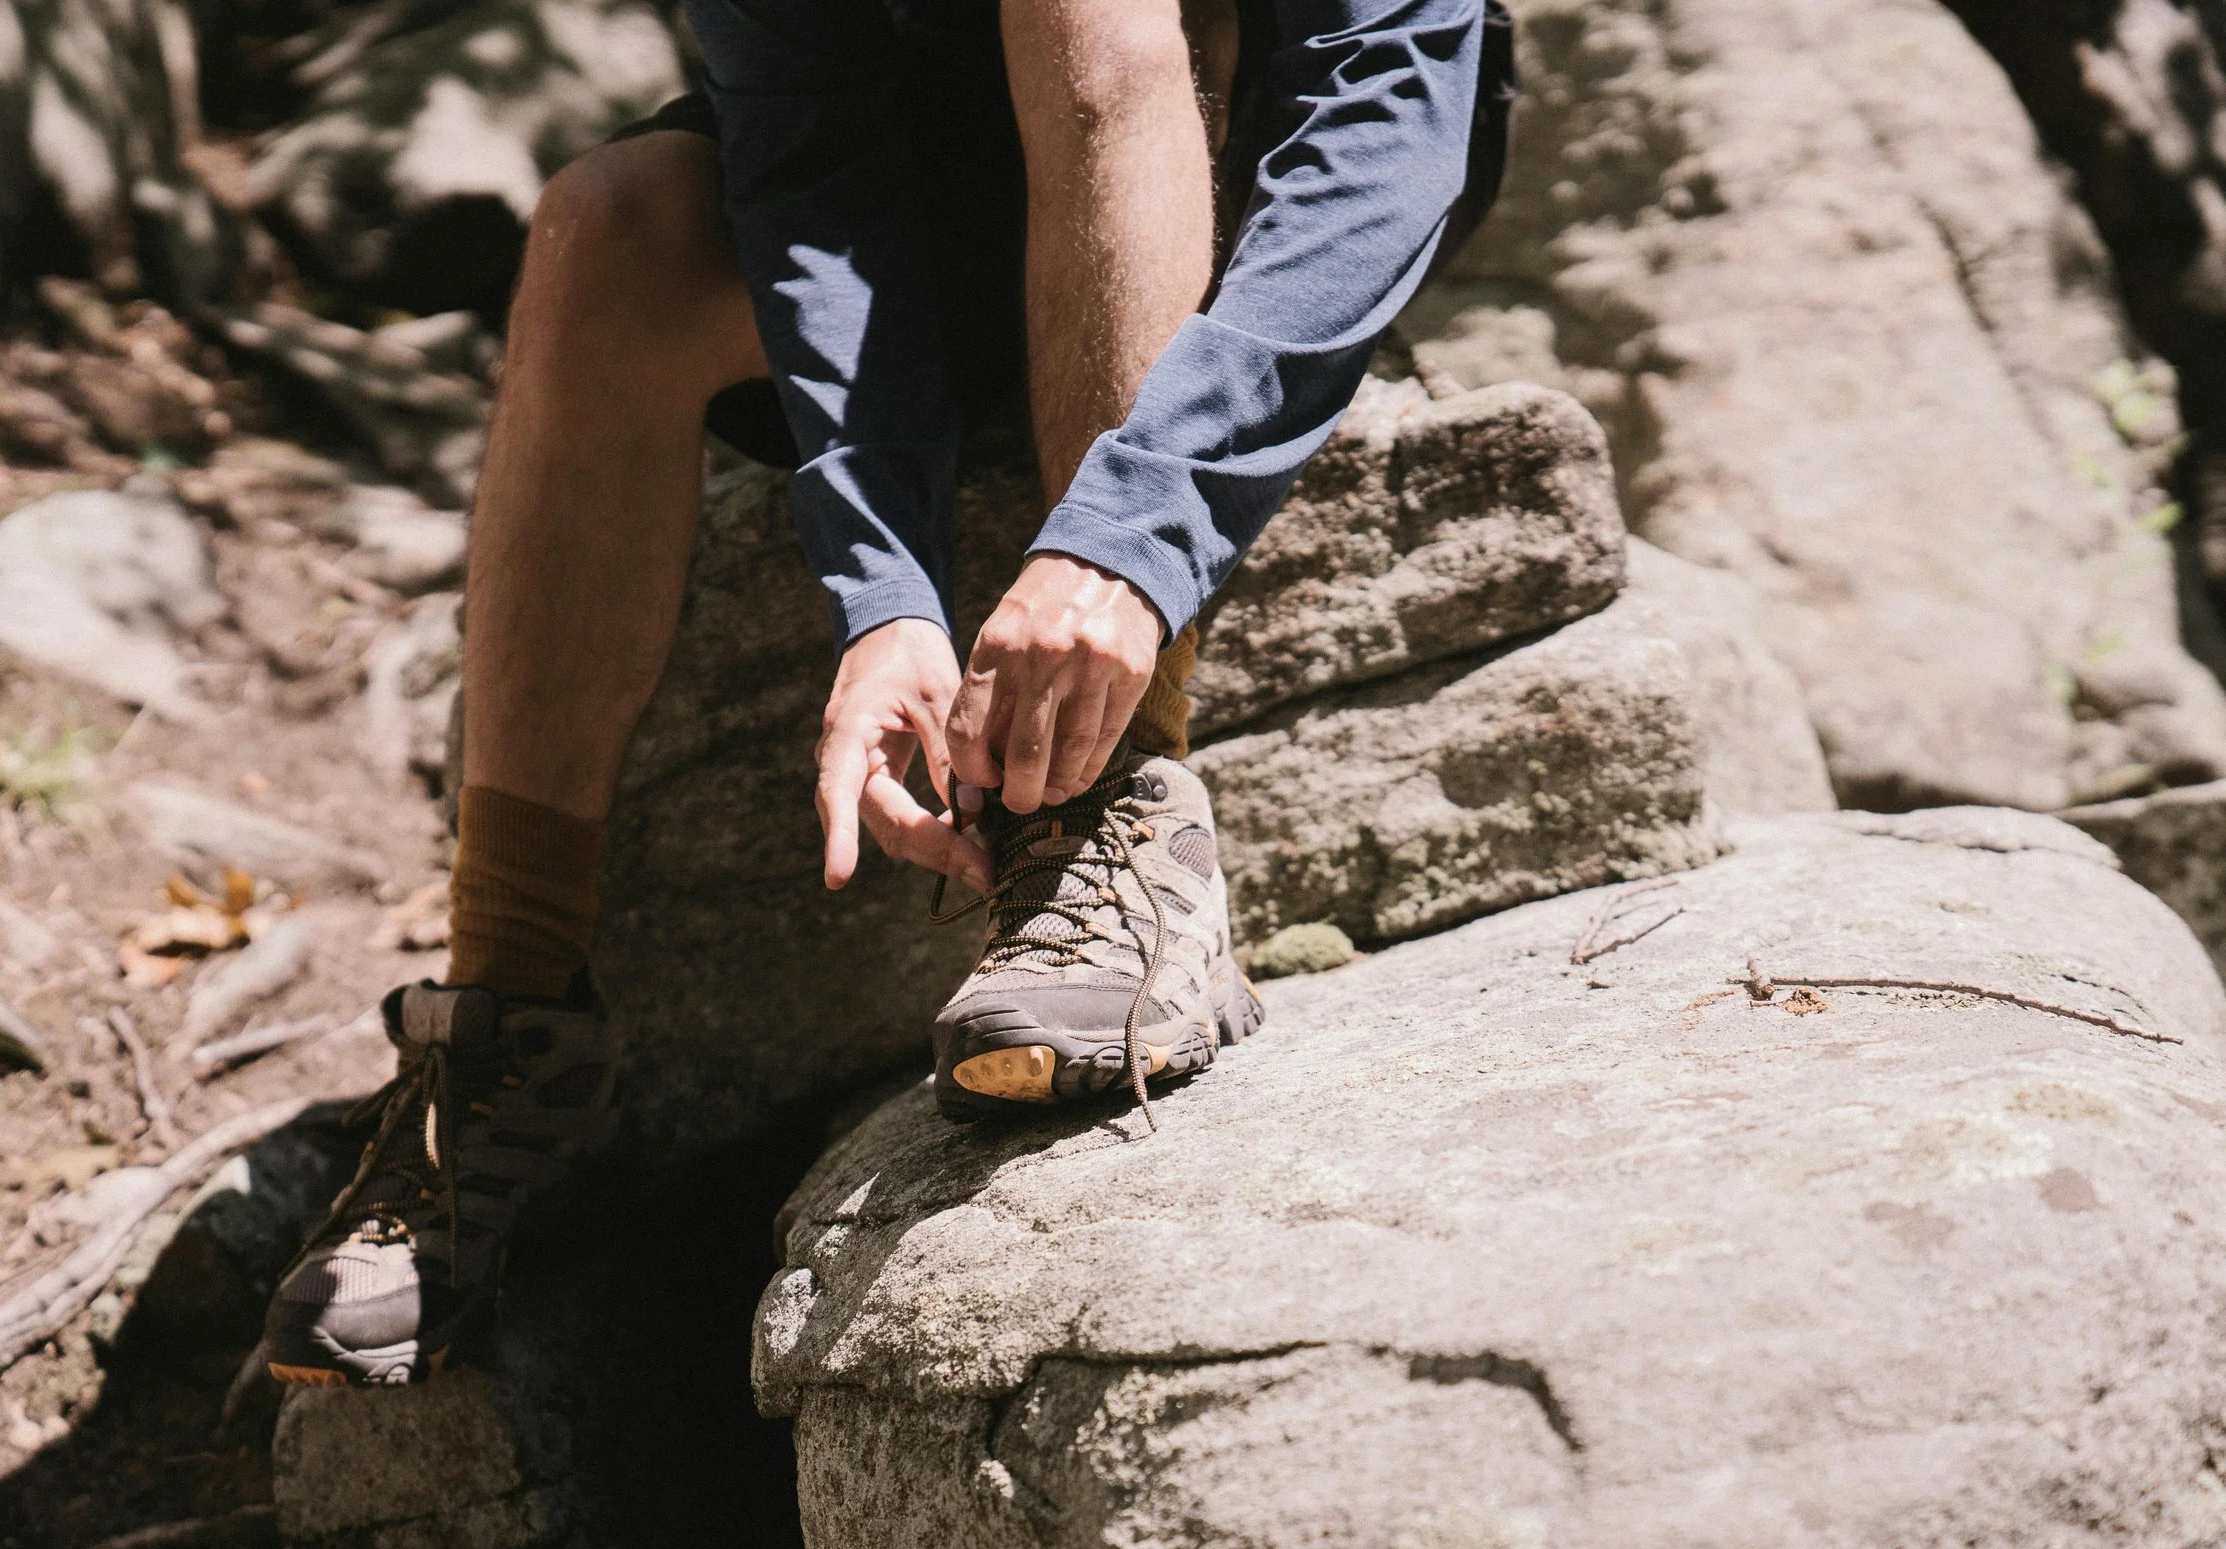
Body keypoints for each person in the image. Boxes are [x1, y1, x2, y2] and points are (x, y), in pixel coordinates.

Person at [264, 0, 1510, 1387]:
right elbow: (809, 162)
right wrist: (885, 591)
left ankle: (1110, 817)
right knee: (607, 229)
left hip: (1250, 140)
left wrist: (1132, 537)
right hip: (958, 181)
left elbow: (1391, 106)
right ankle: (506, 1030)